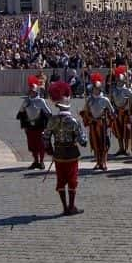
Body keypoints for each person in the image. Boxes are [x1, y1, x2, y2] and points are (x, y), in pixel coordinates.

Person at [43, 81, 88, 216]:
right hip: (71, 153)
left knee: (61, 180)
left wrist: (50, 149)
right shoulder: (74, 121)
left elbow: (46, 137)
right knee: (72, 179)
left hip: (58, 153)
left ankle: (64, 207)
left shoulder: (52, 120)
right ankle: (72, 206)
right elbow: (83, 141)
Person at [80, 73, 115, 171]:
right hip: (93, 124)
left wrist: (109, 121)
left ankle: (103, 162)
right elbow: (84, 112)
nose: (95, 90)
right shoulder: (89, 100)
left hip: (102, 124)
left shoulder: (105, 99)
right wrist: (87, 116)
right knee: (95, 144)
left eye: (97, 89)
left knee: (104, 144)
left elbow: (112, 112)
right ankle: (98, 162)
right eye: (94, 88)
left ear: (100, 89)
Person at [16, 75, 52, 170]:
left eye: (33, 91)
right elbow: (20, 113)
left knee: (41, 145)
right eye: (30, 91)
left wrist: (48, 124)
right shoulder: (26, 101)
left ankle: (41, 162)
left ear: (36, 92)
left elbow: (48, 112)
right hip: (30, 126)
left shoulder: (41, 101)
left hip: (40, 125)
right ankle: (35, 161)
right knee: (32, 145)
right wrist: (24, 124)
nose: (31, 92)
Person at [110, 66, 132, 156]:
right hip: (116, 112)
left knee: (126, 131)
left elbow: (131, 100)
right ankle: (121, 148)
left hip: (126, 112)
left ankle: (127, 149)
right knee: (118, 131)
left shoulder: (127, 90)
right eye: (118, 80)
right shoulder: (114, 89)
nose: (119, 82)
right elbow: (111, 101)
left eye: (120, 81)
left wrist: (125, 108)